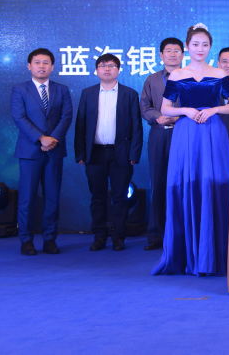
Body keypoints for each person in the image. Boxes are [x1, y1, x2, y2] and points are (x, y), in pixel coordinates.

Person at [153, 24, 229, 276]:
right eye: (195, 44)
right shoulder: (177, 75)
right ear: (187, 47)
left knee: (215, 185)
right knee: (188, 184)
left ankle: (215, 254)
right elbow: (165, 108)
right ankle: (188, 254)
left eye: (204, 45)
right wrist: (186, 111)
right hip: (187, 133)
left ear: (210, 47)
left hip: (213, 133)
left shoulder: (219, 73)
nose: (200, 49)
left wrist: (214, 109)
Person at [74, 54, 143, 251]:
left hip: (121, 153)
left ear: (118, 70)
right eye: (102, 65)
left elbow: (136, 126)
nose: (107, 69)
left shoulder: (129, 94)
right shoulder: (88, 93)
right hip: (95, 153)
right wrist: (80, 153)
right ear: (96, 70)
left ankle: (118, 237)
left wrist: (134, 154)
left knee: (120, 197)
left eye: (111, 66)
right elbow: (80, 125)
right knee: (97, 197)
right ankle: (99, 236)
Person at [10, 48, 73, 256]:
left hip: (54, 150)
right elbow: (19, 117)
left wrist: (52, 138)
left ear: (52, 67)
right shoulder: (20, 89)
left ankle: (50, 240)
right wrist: (40, 138)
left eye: (46, 62)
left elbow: (66, 116)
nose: (42, 66)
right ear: (29, 66)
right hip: (30, 151)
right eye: (37, 62)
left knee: (52, 198)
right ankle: (26, 240)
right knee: (27, 198)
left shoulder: (62, 90)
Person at [139, 37, 184, 250]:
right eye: (168, 50)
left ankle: (181, 235)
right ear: (161, 55)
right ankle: (156, 235)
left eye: (177, 50)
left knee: (182, 184)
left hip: (183, 135)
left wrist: (178, 117)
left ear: (183, 54)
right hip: (159, 135)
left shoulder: (191, 78)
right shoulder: (153, 80)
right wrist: (158, 117)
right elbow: (144, 106)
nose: (173, 54)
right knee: (158, 184)